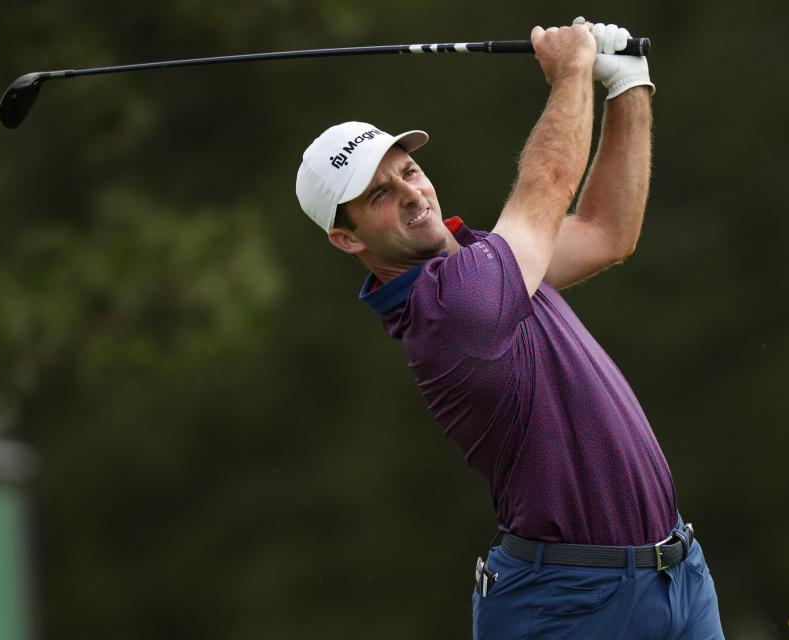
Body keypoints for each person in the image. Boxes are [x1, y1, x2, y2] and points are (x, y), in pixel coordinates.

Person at [295, 18, 724, 639]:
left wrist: (627, 83)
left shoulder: (484, 266)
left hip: (675, 574)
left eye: (408, 170)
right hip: (570, 602)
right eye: (379, 194)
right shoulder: (453, 309)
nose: (412, 194)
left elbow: (607, 231)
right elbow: (547, 184)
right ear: (347, 237)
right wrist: (573, 69)